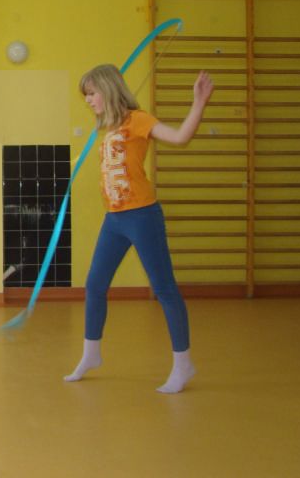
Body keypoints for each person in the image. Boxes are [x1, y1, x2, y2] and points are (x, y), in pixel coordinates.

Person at [64, 64, 214, 394]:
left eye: (92, 93)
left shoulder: (138, 120)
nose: (88, 100)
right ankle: (91, 355)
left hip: (142, 217)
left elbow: (180, 137)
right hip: (114, 219)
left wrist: (199, 102)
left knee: (164, 289)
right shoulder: (110, 127)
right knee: (95, 285)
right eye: (85, 95)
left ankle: (183, 364)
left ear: (108, 89)